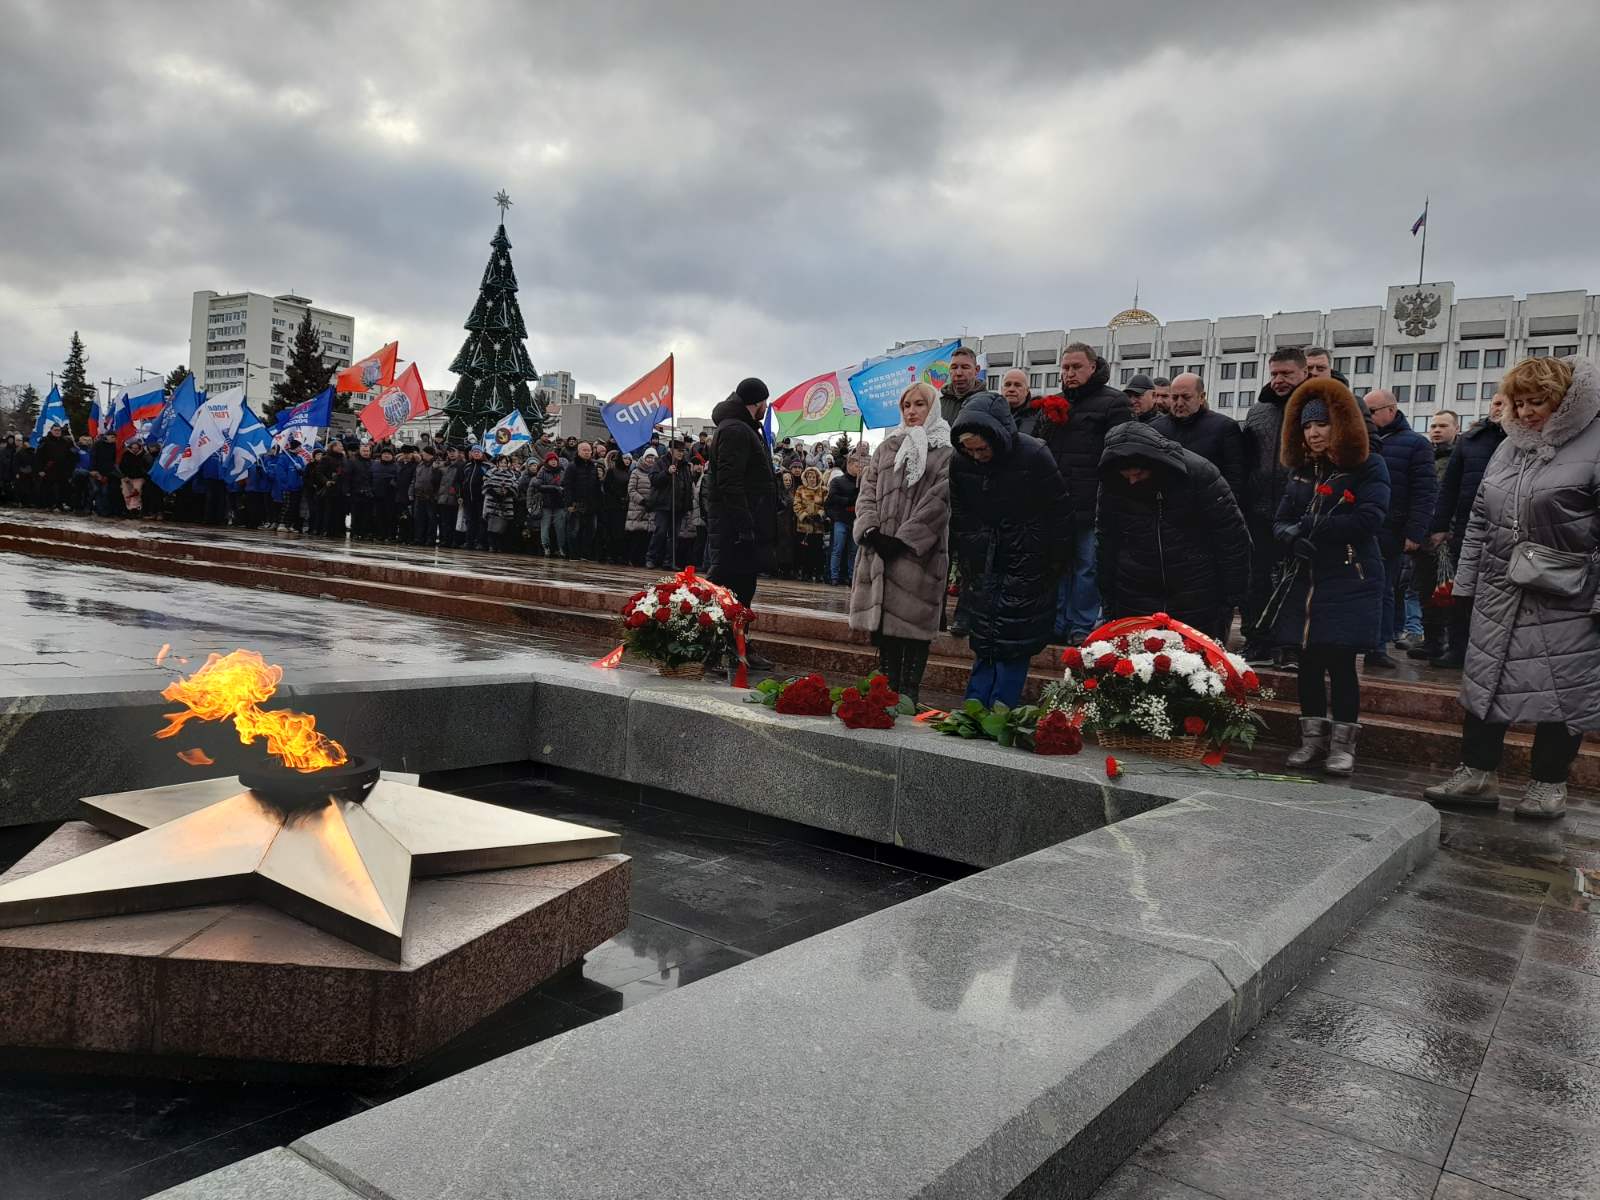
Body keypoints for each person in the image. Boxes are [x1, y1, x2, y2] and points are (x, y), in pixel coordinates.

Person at [1424, 356, 1600, 819]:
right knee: (1486, 680)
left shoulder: (1595, 442)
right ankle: (1477, 773)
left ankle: (1549, 783)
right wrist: (1466, 584)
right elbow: (1480, 515)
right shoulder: (1509, 447)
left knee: (1562, 688)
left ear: (1565, 400)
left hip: (1569, 591)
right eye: (1519, 403)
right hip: (1501, 585)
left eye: (1537, 401)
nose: (1525, 413)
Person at [1268, 377, 1390, 776]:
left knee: (1340, 662)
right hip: (1306, 581)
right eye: (1307, 426)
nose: (1315, 432)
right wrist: (1289, 536)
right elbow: (1282, 519)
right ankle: (1311, 741)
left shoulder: (1369, 465)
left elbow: (1369, 519)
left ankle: (1343, 745)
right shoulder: (1302, 471)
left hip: (1349, 576)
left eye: (1321, 424)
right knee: (1307, 662)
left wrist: (1314, 530)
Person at [949, 393, 1072, 708]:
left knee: (1014, 641)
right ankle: (975, 708)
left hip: (1029, 560)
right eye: (970, 450)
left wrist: (1046, 565)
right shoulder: (960, 461)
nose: (977, 456)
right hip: (984, 561)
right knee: (985, 639)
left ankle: (1001, 709)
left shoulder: (1034, 455)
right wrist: (970, 556)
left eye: (983, 449)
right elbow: (961, 514)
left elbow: (1059, 516)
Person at [1096, 421, 1250, 642]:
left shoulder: (1200, 474)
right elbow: (1106, 539)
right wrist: (1107, 594)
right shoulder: (1112, 482)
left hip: (1197, 591)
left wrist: (1232, 596)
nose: (1131, 481)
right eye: (1126, 475)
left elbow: (1231, 536)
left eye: (1138, 474)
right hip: (1135, 591)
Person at [848, 381, 952, 703]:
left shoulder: (946, 452)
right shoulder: (886, 448)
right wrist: (871, 531)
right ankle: (886, 698)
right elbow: (866, 494)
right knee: (885, 636)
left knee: (914, 634)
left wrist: (904, 540)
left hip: (918, 558)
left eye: (919, 404)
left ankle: (909, 697)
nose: (912, 411)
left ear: (932, 408)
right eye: (906, 405)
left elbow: (939, 502)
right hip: (879, 553)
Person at [1049, 341, 1132, 643]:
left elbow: (1121, 453)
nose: (1069, 373)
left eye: (1076, 367)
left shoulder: (1114, 403)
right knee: (1058, 566)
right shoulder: (1054, 403)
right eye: (1065, 367)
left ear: (1092, 367)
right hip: (1058, 501)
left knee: (1086, 568)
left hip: (1094, 501)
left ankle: (1080, 626)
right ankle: (1056, 623)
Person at [703, 377, 778, 674]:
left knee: (743, 590)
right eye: (765, 402)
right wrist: (744, 525)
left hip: (745, 525)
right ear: (756, 402)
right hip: (735, 528)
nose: (765, 408)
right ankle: (709, 653)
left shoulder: (743, 427)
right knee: (724, 589)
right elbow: (730, 483)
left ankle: (739, 647)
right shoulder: (735, 430)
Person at [1427, 396, 1507, 667]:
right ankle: (1457, 649)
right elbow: (1449, 487)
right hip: (1467, 528)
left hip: (1508, 531)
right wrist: (1439, 526)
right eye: (1496, 403)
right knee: (1462, 593)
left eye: (1506, 403)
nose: (1500, 408)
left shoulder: (1523, 439)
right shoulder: (1471, 440)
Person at [1240, 347, 1308, 662]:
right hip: (1258, 510)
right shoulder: (1258, 412)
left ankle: (1291, 646)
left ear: (1303, 373)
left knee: (1294, 580)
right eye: (1274, 374)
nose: (1278, 380)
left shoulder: (1316, 407)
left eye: (1286, 374)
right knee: (1257, 579)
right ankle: (1256, 639)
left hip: (1298, 511)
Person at [1364, 388, 1436, 669]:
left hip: (1391, 529)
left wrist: (1414, 532)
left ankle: (1377, 646)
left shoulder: (1416, 444)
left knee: (1384, 589)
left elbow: (1425, 491)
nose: (1367, 418)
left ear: (1390, 411)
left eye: (1371, 412)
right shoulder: (1365, 441)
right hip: (1365, 526)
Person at [1406, 410, 1460, 660]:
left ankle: (1451, 643)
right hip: (1423, 536)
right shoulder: (1424, 455)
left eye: (1443, 425)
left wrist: (1448, 528)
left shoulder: (1459, 457)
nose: (1437, 430)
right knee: (1425, 590)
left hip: (1448, 537)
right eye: (1433, 425)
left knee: (1448, 592)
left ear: (1456, 429)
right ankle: (1432, 641)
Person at [1151, 372, 1247, 504]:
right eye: (1174, 397)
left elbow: (1236, 476)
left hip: (1210, 509)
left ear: (1201, 397)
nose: (1179, 403)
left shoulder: (1225, 427)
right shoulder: (1155, 429)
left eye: (1186, 397)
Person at [825, 454, 861, 586]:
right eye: (857, 466)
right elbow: (832, 498)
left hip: (855, 520)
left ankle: (851, 576)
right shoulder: (838, 481)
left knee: (853, 550)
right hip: (841, 519)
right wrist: (848, 500)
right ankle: (833, 576)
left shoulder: (861, 482)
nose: (859, 469)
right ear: (849, 465)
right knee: (837, 548)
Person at [565, 441, 602, 559]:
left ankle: (584, 553)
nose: (587, 453)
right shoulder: (572, 466)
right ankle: (573, 554)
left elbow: (597, 486)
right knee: (574, 530)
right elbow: (567, 486)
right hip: (576, 503)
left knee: (591, 530)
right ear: (579, 451)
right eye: (584, 450)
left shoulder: (593, 466)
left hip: (591, 504)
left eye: (589, 450)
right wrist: (569, 503)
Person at [792, 466, 828, 582]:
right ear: (806, 478)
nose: (812, 479)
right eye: (809, 476)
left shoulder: (823, 490)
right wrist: (804, 515)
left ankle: (818, 573)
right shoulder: (800, 489)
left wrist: (820, 514)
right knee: (804, 551)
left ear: (817, 477)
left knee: (817, 550)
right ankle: (805, 573)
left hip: (818, 526)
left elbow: (826, 505)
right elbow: (796, 504)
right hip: (804, 526)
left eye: (814, 477)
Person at [938, 346, 986, 425]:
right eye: (954, 367)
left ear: (976, 370)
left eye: (965, 367)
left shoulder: (989, 403)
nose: (958, 373)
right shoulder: (938, 402)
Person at [483, 455, 520, 552]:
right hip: (492, 501)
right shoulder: (491, 472)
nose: (503, 465)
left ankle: (499, 546)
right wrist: (494, 493)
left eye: (505, 463)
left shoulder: (511, 474)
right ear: (498, 463)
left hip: (505, 502)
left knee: (502, 525)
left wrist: (508, 492)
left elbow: (515, 485)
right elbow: (486, 483)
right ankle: (491, 545)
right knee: (491, 524)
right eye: (501, 462)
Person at [625, 448, 656, 566]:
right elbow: (631, 490)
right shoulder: (636, 472)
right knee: (636, 535)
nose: (650, 460)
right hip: (637, 509)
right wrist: (642, 501)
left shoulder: (655, 473)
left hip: (650, 510)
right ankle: (633, 559)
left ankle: (642, 559)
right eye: (648, 457)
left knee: (646, 537)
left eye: (652, 458)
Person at [600, 449, 631, 563]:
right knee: (611, 531)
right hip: (611, 505)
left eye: (629, 459)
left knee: (620, 532)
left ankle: (618, 554)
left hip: (623, 506)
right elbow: (607, 487)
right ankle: (609, 554)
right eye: (625, 458)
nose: (627, 461)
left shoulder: (628, 473)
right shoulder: (612, 471)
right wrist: (617, 496)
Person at [534, 451, 567, 557]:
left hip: (559, 503)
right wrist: (554, 488)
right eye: (551, 460)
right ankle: (546, 547)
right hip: (546, 503)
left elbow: (567, 484)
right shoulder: (543, 471)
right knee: (545, 526)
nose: (553, 462)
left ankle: (561, 548)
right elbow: (538, 485)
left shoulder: (562, 471)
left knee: (560, 527)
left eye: (555, 460)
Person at [410, 446, 440, 547]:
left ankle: (430, 539)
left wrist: (436, 469)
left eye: (424, 453)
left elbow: (437, 481)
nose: (422, 454)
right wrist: (412, 492)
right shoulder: (420, 465)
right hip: (419, 495)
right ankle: (419, 538)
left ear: (430, 454)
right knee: (419, 519)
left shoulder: (436, 464)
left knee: (431, 519)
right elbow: (415, 479)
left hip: (431, 496)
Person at [435, 446, 462, 550]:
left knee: (454, 521)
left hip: (454, 498)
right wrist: (435, 469)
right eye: (449, 452)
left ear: (458, 453)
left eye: (453, 452)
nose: (451, 454)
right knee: (444, 521)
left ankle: (454, 541)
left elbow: (460, 482)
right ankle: (444, 540)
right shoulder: (443, 466)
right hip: (442, 497)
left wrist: (458, 493)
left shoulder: (461, 466)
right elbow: (436, 481)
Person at [370, 446, 399, 542]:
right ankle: (380, 535)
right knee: (378, 516)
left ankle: (391, 535)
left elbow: (399, 479)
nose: (386, 455)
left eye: (389, 454)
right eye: (384, 454)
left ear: (392, 456)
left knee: (390, 517)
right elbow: (370, 477)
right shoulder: (375, 465)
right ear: (381, 455)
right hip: (377, 495)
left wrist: (393, 483)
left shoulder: (396, 466)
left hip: (391, 496)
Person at [119, 439, 151, 516]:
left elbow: (146, 467)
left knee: (137, 493)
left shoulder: (144, 455)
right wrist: (124, 476)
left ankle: (135, 508)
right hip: (127, 478)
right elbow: (122, 466)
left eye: (136, 448)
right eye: (133, 448)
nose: (135, 450)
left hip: (139, 477)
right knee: (126, 493)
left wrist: (144, 476)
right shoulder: (126, 454)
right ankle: (128, 508)